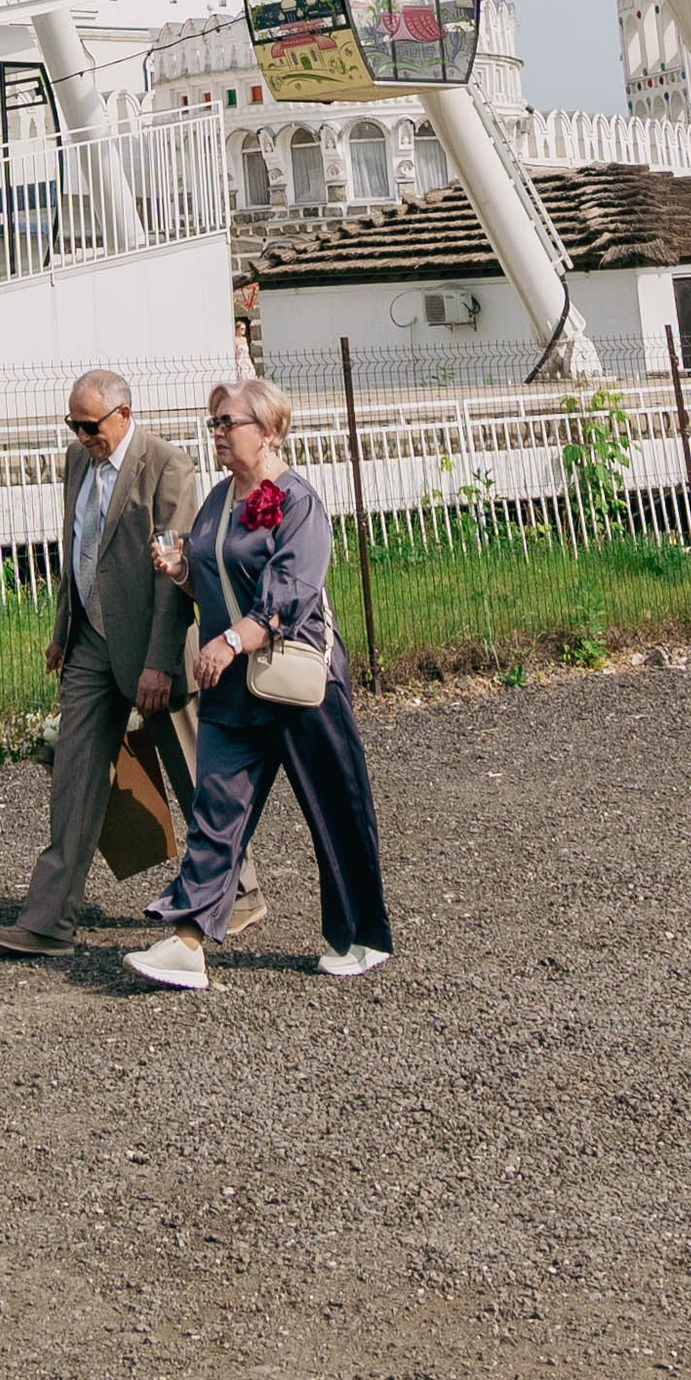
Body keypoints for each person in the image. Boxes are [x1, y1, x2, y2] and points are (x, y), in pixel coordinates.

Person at [0, 369, 263, 960]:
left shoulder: (167, 466)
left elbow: (175, 579)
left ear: (124, 414)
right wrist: (63, 629)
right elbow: (77, 546)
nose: (82, 436)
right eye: (73, 425)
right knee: (75, 777)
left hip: (154, 648)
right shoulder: (77, 463)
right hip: (90, 644)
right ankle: (49, 919)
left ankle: (240, 891)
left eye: (90, 426)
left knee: (193, 777)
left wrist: (159, 662)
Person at [125, 374, 392, 994]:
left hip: (299, 685)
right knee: (216, 811)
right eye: (214, 423)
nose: (217, 434)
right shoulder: (219, 500)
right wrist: (184, 570)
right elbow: (217, 583)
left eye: (229, 424)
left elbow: (291, 593)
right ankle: (188, 941)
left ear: (269, 432)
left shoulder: (298, 502)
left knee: (333, 805)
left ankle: (362, 934)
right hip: (233, 691)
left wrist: (231, 640)